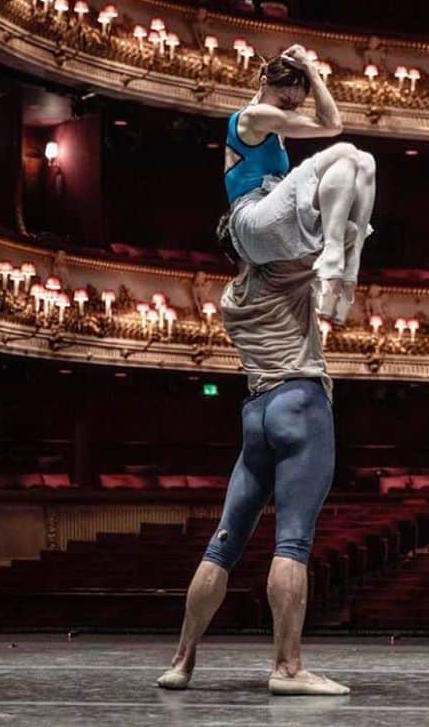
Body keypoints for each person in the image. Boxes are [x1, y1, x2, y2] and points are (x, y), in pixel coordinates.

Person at [155, 43, 374, 696]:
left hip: (255, 412)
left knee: (224, 542)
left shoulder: (235, 298)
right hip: (302, 405)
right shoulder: (284, 271)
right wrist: (339, 256)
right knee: (295, 542)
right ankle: (288, 667)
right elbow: (339, 164)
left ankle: (182, 661)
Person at [221, 44, 375, 324]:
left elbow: (328, 124)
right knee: (345, 152)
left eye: (295, 105)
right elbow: (332, 125)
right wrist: (312, 72)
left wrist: (309, 73)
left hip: (274, 217)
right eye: (284, 102)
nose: (290, 111)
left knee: (365, 163)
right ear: (263, 82)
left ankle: (346, 278)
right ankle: (332, 261)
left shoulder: (274, 122)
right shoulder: (252, 117)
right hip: (250, 220)